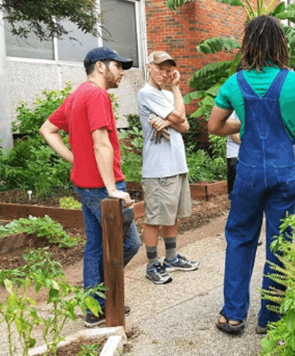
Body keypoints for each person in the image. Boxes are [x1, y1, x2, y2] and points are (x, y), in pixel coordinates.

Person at [207, 15, 295, 335]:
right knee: (281, 242)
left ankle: (233, 315)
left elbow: (215, 126)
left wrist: (243, 124)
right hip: (283, 172)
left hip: (247, 173)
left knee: (240, 240)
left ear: (248, 44)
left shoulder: (235, 83)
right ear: (281, 44)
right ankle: (270, 318)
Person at [39, 47, 141, 327]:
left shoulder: (77, 95)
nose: (122, 72)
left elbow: (47, 129)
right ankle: (100, 301)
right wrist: (111, 188)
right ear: (100, 66)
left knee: (95, 246)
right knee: (130, 242)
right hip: (100, 186)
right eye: (118, 66)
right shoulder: (97, 94)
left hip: (84, 184)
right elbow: (101, 142)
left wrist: (76, 160)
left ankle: (94, 307)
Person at [137, 51, 198, 286]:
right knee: (154, 218)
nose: (166, 73)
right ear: (149, 67)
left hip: (175, 164)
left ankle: (171, 257)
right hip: (158, 168)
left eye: (168, 68)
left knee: (172, 216)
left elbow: (186, 127)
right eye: (161, 68)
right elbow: (181, 116)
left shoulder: (163, 94)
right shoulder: (147, 93)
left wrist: (170, 119)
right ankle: (152, 264)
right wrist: (175, 93)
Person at [226, 111, 241, 194]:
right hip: (235, 154)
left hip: (256, 154)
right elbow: (232, 132)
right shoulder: (232, 105)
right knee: (236, 189)